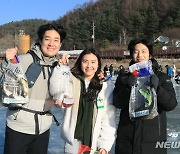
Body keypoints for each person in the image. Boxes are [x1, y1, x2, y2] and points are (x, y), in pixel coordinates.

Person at [0, 23, 66, 154]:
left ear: (60, 44)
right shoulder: (24, 60)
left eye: (56, 40)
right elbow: (3, 81)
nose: (51, 43)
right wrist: (6, 63)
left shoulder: (58, 67)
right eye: (47, 39)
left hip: (43, 129)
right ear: (40, 41)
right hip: (18, 127)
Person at [113, 39, 177, 154]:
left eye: (144, 51)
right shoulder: (124, 78)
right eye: (136, 52)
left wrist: (158, 88)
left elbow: (171, 104)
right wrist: (128, 87)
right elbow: (117, 102)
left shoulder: (161, 77)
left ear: (150, 55)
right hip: (127, 143)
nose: (140, 55)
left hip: (153, 143)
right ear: (132, 54)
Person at [50, 48, 116, 154]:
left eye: (93, 62)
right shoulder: (71, 81)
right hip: (73, 141)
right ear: (80, 63)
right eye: (85, 61)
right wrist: (60, 69)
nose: (89, 66)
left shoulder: (105, 87)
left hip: (94, 143)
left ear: (98, 65)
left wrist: (104, 145)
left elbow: (108, 119)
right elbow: (56, 91)